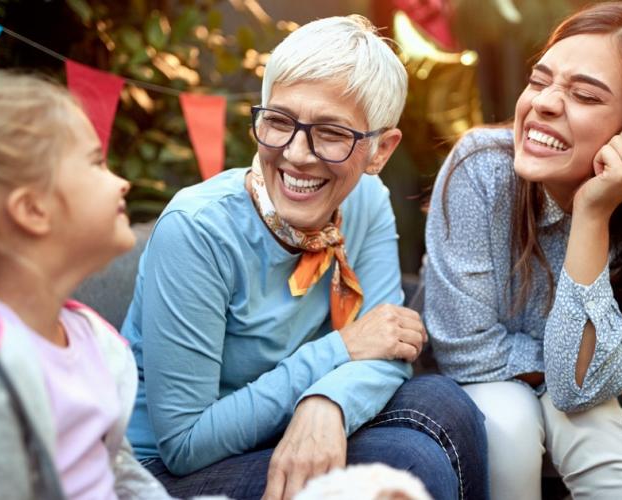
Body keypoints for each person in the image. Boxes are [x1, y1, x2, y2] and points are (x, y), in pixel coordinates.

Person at [122, 14, 488, 500]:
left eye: (332, 133)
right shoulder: (198, 230)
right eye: (279, 122)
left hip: (274, 426)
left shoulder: (366, 201)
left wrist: (328, 401)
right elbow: (183, 443)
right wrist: (338, 352)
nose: (296, 154)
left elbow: (387, 344)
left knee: (446, 401)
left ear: (380, 150)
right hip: (164, 472)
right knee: (408, 460)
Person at [424, 2, 622, 499]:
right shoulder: (482, 168)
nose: (545, 103)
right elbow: (466, 351)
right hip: (470, 391)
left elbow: (579, 388)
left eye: (585, 95)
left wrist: (593, 214)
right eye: (539, 80)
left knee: (597, 427)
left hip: (567, 395)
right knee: (512, 417)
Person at [0, 71, 173, 499]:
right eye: (96, 163)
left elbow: (120, 478)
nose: (121, 181)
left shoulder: (90, 340)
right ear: (33, 209)